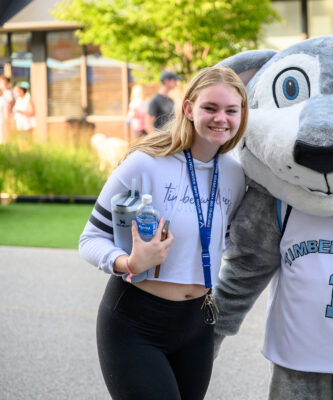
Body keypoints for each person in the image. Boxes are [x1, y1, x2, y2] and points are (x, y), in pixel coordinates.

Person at [79, 66, 247, 400]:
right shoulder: (146, 163)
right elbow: (89, 239)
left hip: (197, 325)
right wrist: (129, 262)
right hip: (136, 323)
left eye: (231, 110)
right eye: (210, 108)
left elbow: (223, 240)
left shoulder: (235, 175)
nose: (221, 119)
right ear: (188, 109)